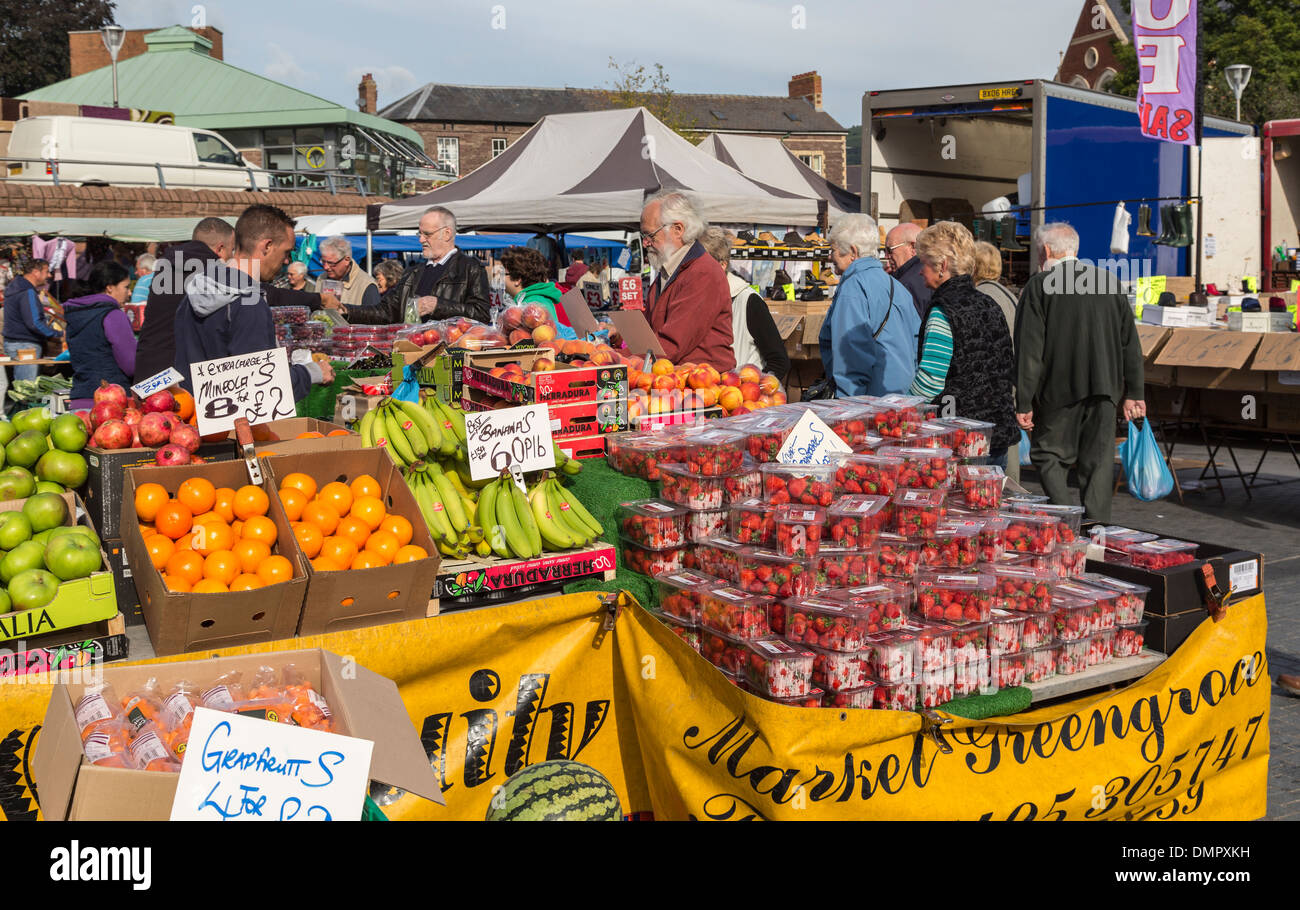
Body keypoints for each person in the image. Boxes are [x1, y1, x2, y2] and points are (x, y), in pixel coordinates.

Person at [1015, 222, 1145, 522]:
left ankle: (1066, 523)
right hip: (1105, 391)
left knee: (1049, 456)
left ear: (1046, 251)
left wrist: (1023, 400)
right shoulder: (1109, 283)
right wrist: (1134, 393)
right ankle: (1097, 530)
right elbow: (1130, 344)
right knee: (1097, 463)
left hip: (1058, 391)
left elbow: (1029, 350)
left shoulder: (1040, 285)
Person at [136, 218, 337, 381]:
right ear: (220, 249)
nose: (233, 258)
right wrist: (318, 298)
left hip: (150, 372)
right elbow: (266, 292)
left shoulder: (167, 268)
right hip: (180, 384)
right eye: (232, 251)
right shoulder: (210, 275)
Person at [174, 204, 333, 402]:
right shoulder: (249, 303)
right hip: (231, 428)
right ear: (266, 246)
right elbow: (258, 387)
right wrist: (311, 373)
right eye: (286, 252)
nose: (286, 261)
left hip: (189, 421)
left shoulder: (194, 290)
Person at [907, 222, 1018, 467]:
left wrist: (903, 410)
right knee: (988, 503)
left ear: (942, 266)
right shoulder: (989, 304)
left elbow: (930, 380)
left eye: (923, 263)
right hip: (996, 432)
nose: (919, 272)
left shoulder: (943, 311)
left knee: (957, 503)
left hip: (960, 436)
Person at [821, 213, 919, 396]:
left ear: (853, 252)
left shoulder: (853, 288)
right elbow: (916, 344)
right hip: (903, 399)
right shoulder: (897, 287)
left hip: (870, 403)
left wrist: (849, 409)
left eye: (832, 250)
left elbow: (850, 356)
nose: (829, 257)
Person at [346, 207, 490, 325]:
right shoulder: (413, 273)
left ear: (446, 234)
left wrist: (438, 306)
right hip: (413, 349)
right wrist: (346, 311)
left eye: (427, 234)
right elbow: (385, 311)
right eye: (419, 234)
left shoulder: (471, 268)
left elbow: (481, 314)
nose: (421, 240)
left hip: (451, 352)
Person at [639, 191, 735, 370]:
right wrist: (619, 336)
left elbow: (672, 342)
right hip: (676, 380)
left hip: (702, 387)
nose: (645, 243)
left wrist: (620, 360)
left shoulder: (702, 273)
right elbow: (650, 332)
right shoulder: (668, 272)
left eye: (650, 235)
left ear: (678, 230)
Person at [699, 227, 790, 379]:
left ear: (722, 264)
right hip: (706, 393)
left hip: (742, 397)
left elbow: (779, 360)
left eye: (701, 266)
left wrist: (756, 389)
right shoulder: (694, 300)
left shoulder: (748, 301)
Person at [971, 240, 1021, 482]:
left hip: (994, 380)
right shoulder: (1007, 294)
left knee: (996, 443)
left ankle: (1005, 489)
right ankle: (1011, 484)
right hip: (1011, 375)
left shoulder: (982, 296)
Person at [65, 260, 137, 410]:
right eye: (126, 287)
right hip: (112, 405)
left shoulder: (75, 313)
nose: (129, 293)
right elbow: (131, 365)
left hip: (79, 401)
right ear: (110, 288)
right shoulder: (113, 315)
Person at [500, 247, 577, 340]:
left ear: (517, 279)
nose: (500, 278)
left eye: (503, 274)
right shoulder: (534, 299)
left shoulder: (533, 304)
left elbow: (541, 339)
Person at [3, 258, 59, 381]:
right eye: (46, 271)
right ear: (35, 272)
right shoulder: (26, 291)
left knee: (20, 388)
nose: (49, 275)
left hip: (13, 343)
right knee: (27, 389)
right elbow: (34, 323)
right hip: (26, 345)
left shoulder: (15, 287)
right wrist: (58, 334)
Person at [883, 222, 931, 318]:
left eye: (889, 250)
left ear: (913, 247)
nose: (886, 256)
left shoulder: (909, 284)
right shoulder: (929, 271)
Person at [318, 235, 378, 310]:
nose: (325, 267)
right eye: (323, 261)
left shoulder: (367, 285)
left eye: (331, 263)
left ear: (346, 260)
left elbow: (374, 318)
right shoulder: (321, 279)